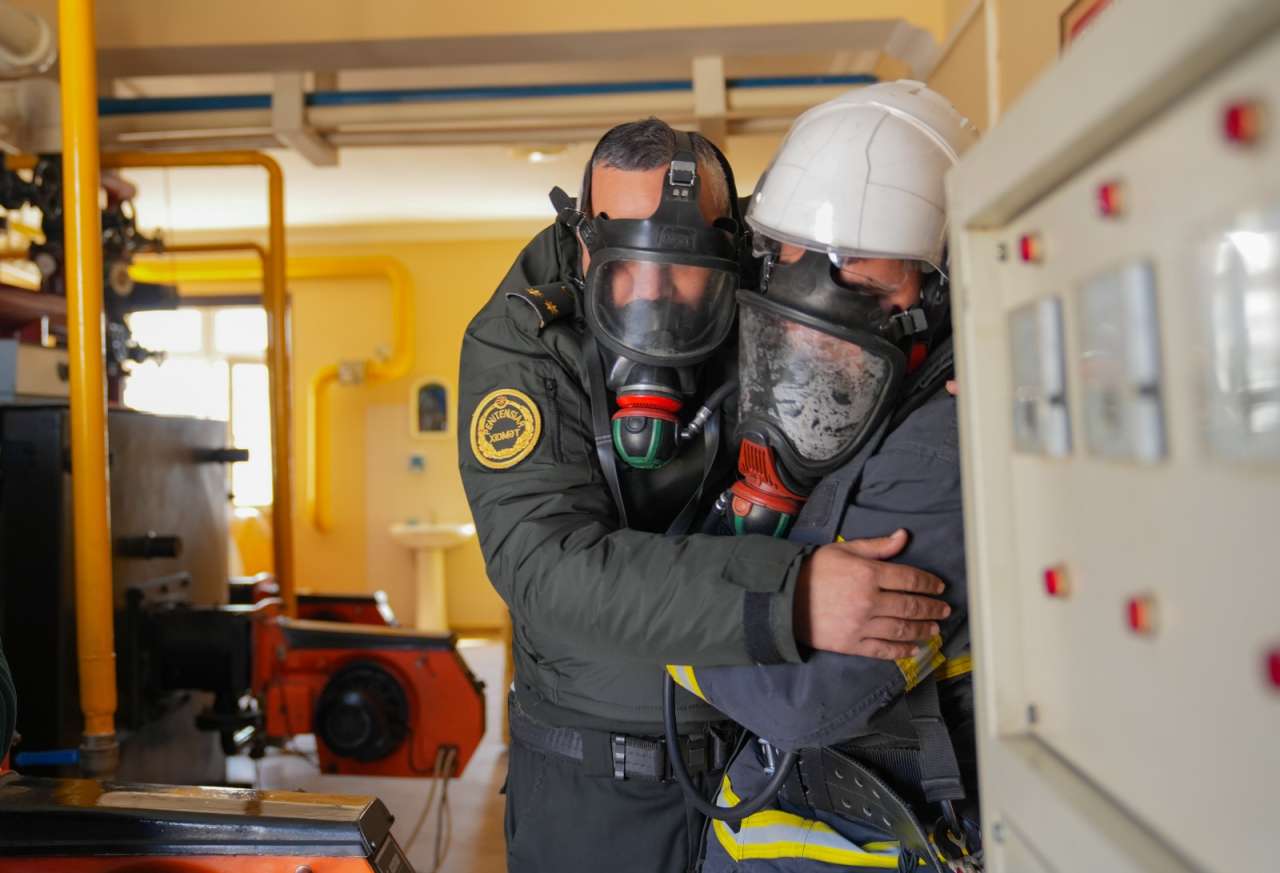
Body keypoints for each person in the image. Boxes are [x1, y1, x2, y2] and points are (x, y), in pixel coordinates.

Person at [456, 118, 952, 873]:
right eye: (626, 269)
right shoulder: (522, 338)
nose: (653, 299)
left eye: (684, 270)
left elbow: (883, 271)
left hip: (763, 754)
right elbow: (547, 569)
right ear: (584, 243)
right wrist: (786, 598)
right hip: (596, 783)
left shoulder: (770, 255)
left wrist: (976, 350)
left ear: (734, 246)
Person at [663, 82, 982, 872]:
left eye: (865, 283)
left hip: (874, 838)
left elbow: (802, 696)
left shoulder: (946, 443)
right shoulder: (877, 407)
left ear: (942, 287)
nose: (822, 303)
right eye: (797, 261)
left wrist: (661, 607)